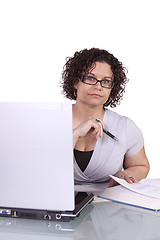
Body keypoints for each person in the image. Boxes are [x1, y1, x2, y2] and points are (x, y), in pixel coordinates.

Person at [61, 48, 150, 187]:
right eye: (90, 78)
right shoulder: (51, 121)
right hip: (56, 203)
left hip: (107, 202)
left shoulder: (125, 126)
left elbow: (140, 165)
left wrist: (124, 176)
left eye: (106, 81)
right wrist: (76, 133)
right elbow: (40, 167)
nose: (98, 86)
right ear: (75, 82)